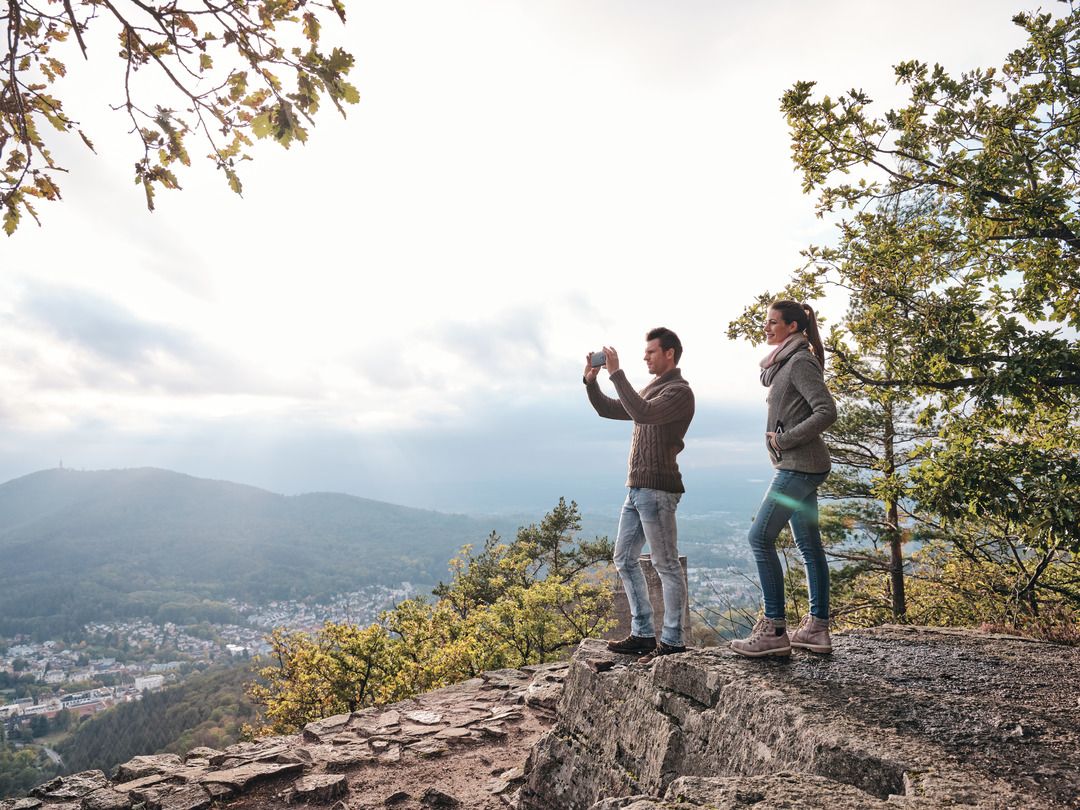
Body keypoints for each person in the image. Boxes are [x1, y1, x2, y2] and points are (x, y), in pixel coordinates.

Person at [730, 301, 837, 658]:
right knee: (808, 545)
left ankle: (775, 630)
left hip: (798, 466)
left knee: (759, 537)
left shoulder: (800, 361)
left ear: (792, 326)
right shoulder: (784, 362)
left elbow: (826, 411)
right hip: (801, 465)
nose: (766, 327)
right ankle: (816, 630)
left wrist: (785, 439)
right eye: (766, 322)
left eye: (772, 322)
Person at [584, 327, 695, 664]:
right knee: (623, 558)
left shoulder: (679, 392)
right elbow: (609, 409)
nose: (645, 357)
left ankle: (672, 640)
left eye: (650, 352)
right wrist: (591, 382)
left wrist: (617, 373)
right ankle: (643, 633)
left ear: (669, 353)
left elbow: (643, 412)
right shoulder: (650, 390)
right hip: (636, 489)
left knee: (666, 564)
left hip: (658, 490)